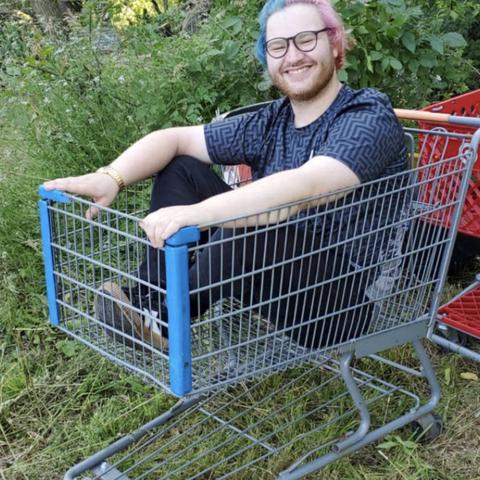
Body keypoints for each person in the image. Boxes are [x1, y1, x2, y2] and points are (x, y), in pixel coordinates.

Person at [43, 0, 408, 352]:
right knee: (181, 168)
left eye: (306, 39)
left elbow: (308, 186)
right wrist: (111, 177)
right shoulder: (272, 121)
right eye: (278, 46)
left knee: (247, 223)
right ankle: (149, 304)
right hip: (281, 277)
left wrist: (198, 214)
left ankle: (167, 320)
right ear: (267, 59)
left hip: (344, 303)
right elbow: (175, 139)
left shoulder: (366, 115)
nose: (293, 56)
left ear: (334, 43)